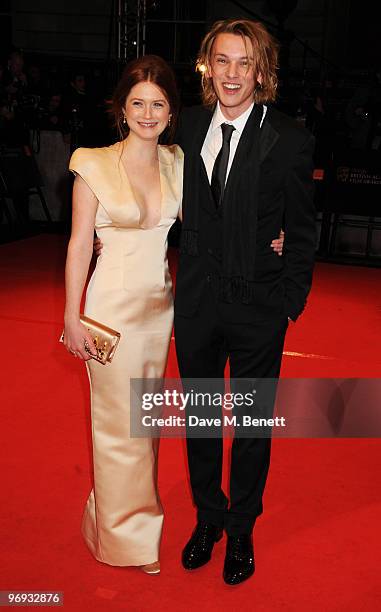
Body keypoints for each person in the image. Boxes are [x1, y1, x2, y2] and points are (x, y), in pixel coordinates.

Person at [174, 19, 316, 585]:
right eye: (222, 61)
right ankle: (208, 517)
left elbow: (301, 231)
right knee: (203, 420)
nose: (232, 74)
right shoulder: (184, 127)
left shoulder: (290, 138)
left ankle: (241, 529)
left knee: (252, 426)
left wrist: (288, 301)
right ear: (208, 67)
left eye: (245, 63)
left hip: (260, 307)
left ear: (263, 71)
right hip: (198, 306)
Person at [62, 54, 183, 574]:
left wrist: (274, 233)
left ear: (171, 110)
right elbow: (77, 247)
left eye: (158, 103)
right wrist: (71, 317)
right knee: (118, 430)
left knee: (146, 427)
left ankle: (112, 522)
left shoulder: (178, 161)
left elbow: (219, 219)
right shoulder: (91, 163)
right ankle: (129, 539)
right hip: (109, 314)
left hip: (160, 315)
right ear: (122, 108)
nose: (148, 113)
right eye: (138, 103)